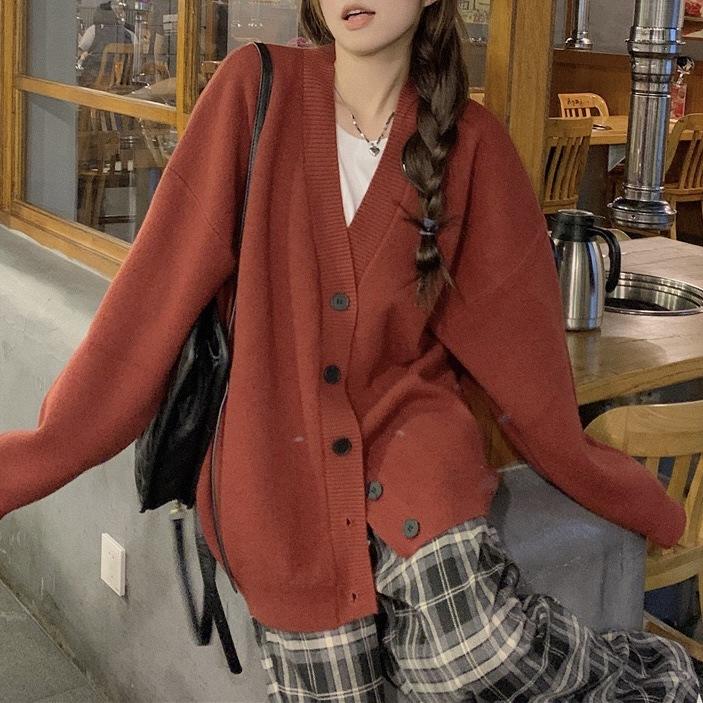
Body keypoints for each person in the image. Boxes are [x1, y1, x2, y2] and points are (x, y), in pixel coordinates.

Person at [0, 1, 700, 701]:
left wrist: (615, 486)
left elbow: (519, 347)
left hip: (415, 452)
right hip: (276, 480)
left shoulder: (470, 142)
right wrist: (33, 458)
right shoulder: (253, 91)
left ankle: (664, 681)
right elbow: (146, 307)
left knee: (476, 657)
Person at [76, 2, 136, 87]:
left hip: (96, 81)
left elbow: (80, 51)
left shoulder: (93, 30)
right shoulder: (128, 34)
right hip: (121, 82)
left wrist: (84, 55)